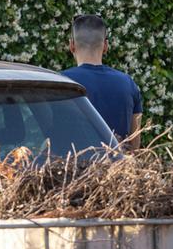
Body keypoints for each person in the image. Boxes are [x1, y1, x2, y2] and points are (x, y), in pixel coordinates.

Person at [61, 13, 143, 148]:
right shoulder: (128, 84)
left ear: (72, 45)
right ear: (105, 46)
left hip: (72, 160)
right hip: (117, 161)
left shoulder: (62, 82)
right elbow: (135, 145)